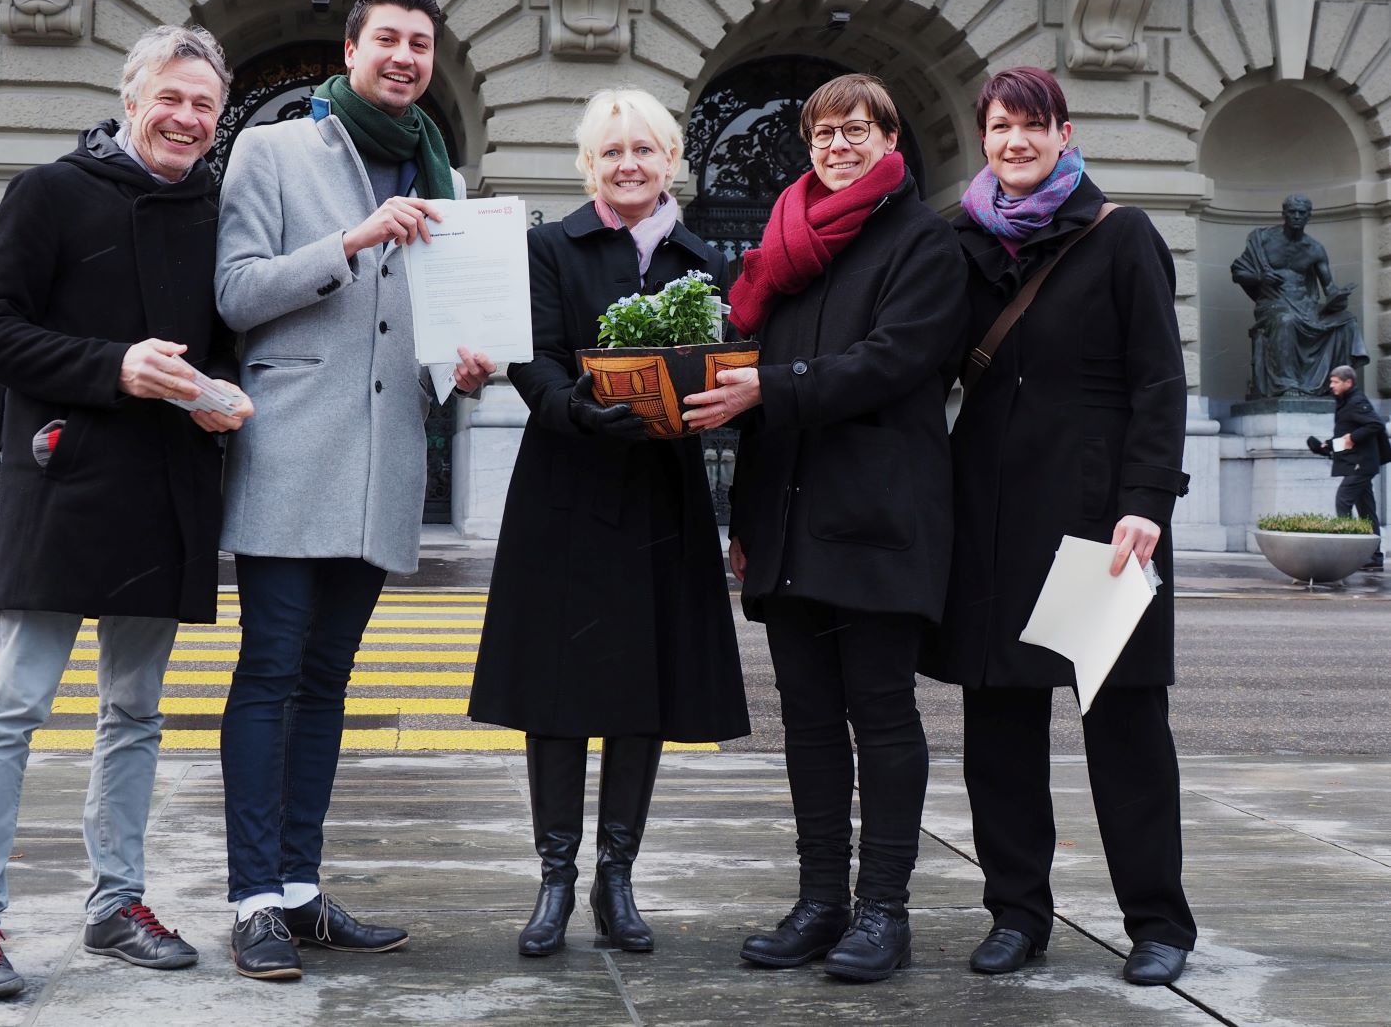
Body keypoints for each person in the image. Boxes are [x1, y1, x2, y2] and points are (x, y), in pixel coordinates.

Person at [0, 24, 250, 999]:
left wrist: (218, 391)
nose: (187, 118)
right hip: (65, 483)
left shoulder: (216, 210)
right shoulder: (50, 191)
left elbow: (223, 336)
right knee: (15, 704)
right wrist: (113, 366)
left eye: (204, 105)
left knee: (136, 710)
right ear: (130, 99)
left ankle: (118, 902)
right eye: (172, 98)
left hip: (167, 489)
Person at [213, 0, 495, 980]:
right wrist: (349, 240)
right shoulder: (274, 149)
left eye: (421, 43)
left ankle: (298, 889)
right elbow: (235, 291)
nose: (406, 56)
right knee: (271, 669)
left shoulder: (438, 171)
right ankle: (252, 899)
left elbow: (428, 326)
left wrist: (459, 369)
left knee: (328, 678)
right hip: (292, 451)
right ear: (352, 49)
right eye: (389, 39)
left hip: (385, 460)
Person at [681, 73, 967, 983]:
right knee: (806, 717)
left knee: (880, 712)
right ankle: (819, 901)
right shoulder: (786, 247)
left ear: (890, 140)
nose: (838, 146)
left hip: (878, 515)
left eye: (856, 130)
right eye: (823, 133)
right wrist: (744, 517)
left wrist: (772, 388)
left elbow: (893, 362)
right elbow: (757, 395)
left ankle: (884, 909)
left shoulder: (924, 241)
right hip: (790, 517)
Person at [925, 65, 1197, 987]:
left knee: (1125, 728)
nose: (1016, 142)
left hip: (1100, 522)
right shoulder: (961, 239)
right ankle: (1017, 914)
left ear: (1064, 133)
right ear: (983, 137)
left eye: (1033, 125)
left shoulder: (1122, 234)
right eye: (1001, 126)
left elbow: (1160, 379)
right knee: (999, 727)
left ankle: (1157, 922)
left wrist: (1146, 500)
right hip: (992, 516)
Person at [468, 88, 750, 958]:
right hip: (566, 485)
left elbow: (723, 370)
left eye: (644, 149)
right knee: (557, 693)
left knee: (643, 692)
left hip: (663, 494)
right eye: (612, 151)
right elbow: (533, 356)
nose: (629, 164)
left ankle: (615, 878)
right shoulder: (550, 248)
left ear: (671, 161)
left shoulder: (704, 262)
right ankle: (554, 879)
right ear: (589, 165)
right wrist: (576, 409)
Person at [1230, 194, 1369, 397]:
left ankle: (1333, 385)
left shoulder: (1315, 249)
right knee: (1286, 320)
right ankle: (1287, 383)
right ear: (1284, 214)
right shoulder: (1263, 240)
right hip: (1272, 304)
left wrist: (1339, 298)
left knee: (1347, 321)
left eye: (1301, 213)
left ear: (1308, 216)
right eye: (1292, 212)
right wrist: (1260, 278)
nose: (1296, 216)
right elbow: (1238, 273)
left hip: (1305, 306)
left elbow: (1329, 287)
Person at [1308, 364, 1389, 571]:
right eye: (1331, 381)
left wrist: (1353, 437)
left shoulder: (1356, 401)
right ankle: (1374, 557)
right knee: (1367, 510)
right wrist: (1326, 446)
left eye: (1335, 382)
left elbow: (1375, 424)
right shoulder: (1346, 403)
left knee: (1343, 501)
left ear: (1348, 382)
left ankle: (1349, 553)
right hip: (1360, 463)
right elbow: (1346, 437)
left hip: (1361, 464)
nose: (1331, 385)